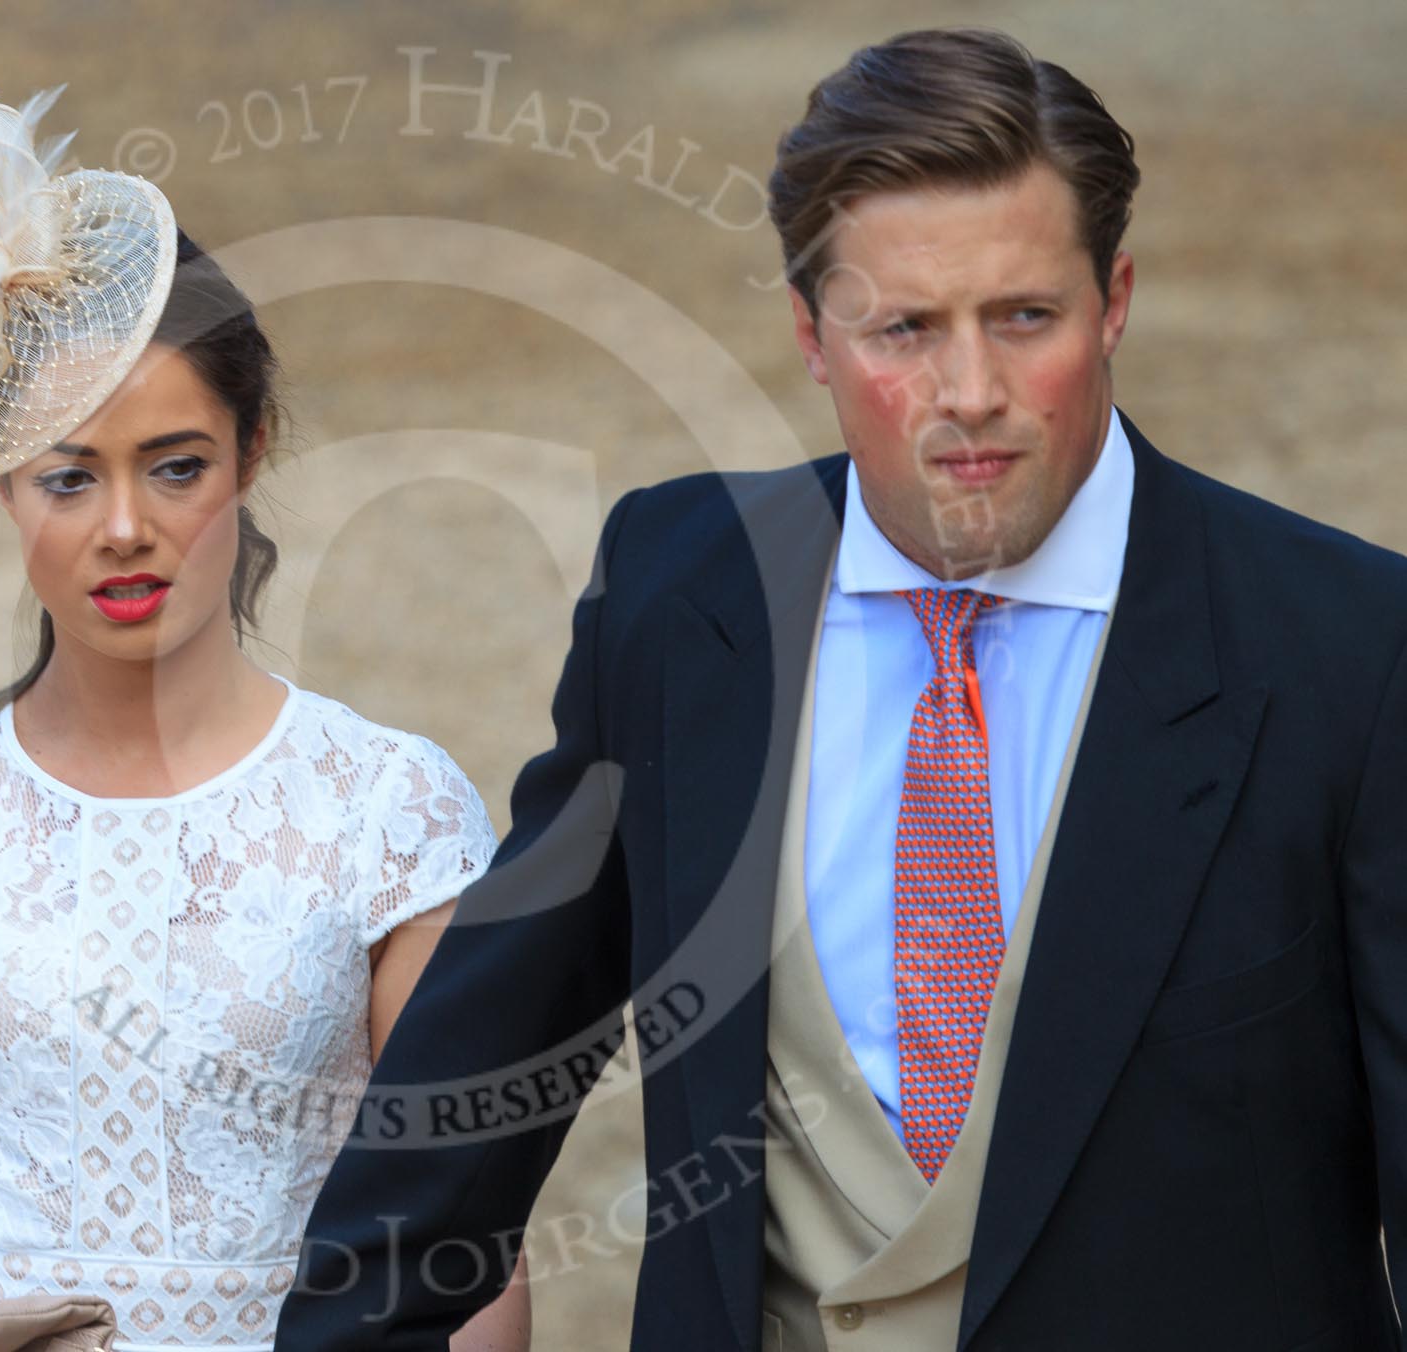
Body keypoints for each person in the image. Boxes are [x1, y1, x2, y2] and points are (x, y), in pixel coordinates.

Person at [275, 27, 1407, 1352]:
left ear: (1117, 302)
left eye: (1025, 317)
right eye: (905, 330)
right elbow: (469, 1097)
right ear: (813, 337)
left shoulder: (1349, 651)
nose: (970, 393)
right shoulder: (680, 597)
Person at [0, 84, 530, 1352]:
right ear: (3, 478)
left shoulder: (391, 808)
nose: (123, 527)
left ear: (251, 449)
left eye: (175, 464)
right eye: (68, 474)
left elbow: (466, 1255)